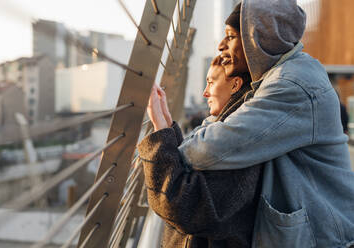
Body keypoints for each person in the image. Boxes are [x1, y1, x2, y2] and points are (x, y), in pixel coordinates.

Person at [141, 0, 354, 247]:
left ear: (258, 39)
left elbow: (220, 145)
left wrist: (167, 149)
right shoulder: (281, 78)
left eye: (231, 37)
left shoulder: (291, 85)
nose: (221, 45)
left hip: (326, 238)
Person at [138, 55, 262, 247]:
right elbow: (198, 177)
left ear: (235, 84)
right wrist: (168, 126)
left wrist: (161, 130)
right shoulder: (227, 129)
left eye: (211, 82)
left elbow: (181, 206)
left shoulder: (239, 141)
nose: (205, 93)